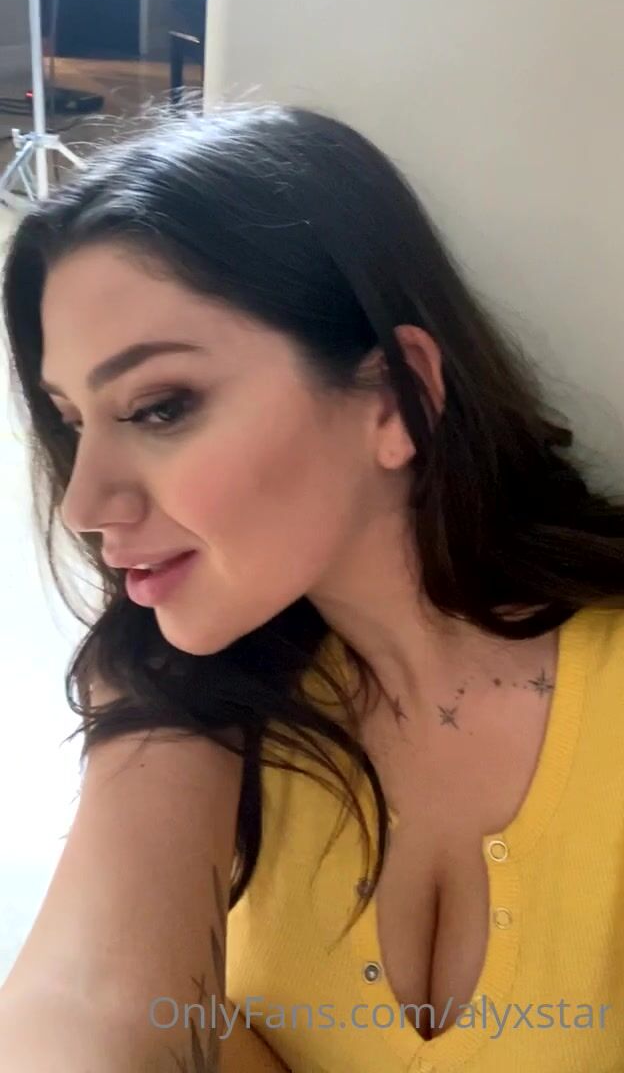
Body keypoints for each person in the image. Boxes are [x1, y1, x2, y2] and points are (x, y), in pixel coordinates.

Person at [0, 102, 623, 1073]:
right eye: (74, 422)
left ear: (395, 395)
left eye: (159, 406)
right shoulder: (195, 705)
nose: (83, 502)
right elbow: (92, 1010)